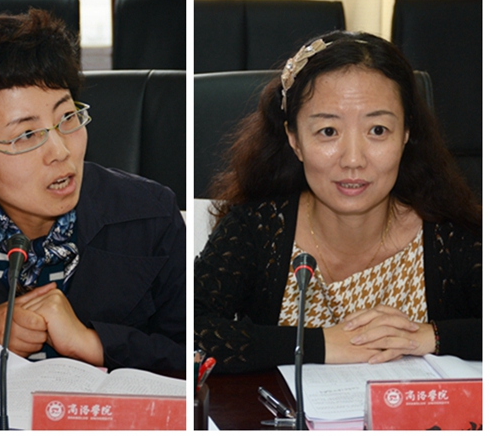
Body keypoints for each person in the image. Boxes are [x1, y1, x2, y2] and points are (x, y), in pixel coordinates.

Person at [0, 9, 185, 372]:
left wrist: (93, 343)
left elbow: (194, 357)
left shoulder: (153, 218)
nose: (61, 151)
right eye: (26, 135)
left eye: (67, 118)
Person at [194, 30, 481, 373]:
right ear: (294, 140)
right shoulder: (257, 227)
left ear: (406, 133)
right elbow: (187, 329)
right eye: (328, 132)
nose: (353, 160)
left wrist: (430, 337)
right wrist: (322, 344)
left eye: (378, 130)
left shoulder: (449, 233)